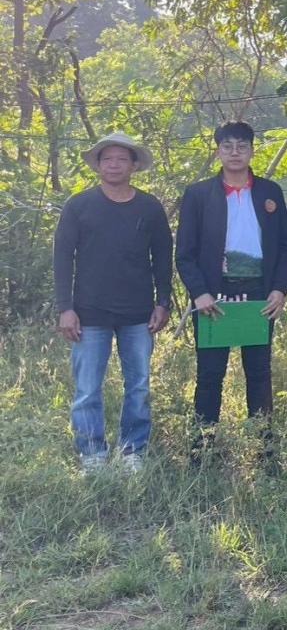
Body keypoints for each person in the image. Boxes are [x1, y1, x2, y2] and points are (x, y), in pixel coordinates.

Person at [54, 133, 172, 473]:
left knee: (138, 385)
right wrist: (65, 308)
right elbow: (62, 257)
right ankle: (92, 453)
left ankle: (133, 450)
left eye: (122, 159)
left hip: (138, 313)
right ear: (98, 165)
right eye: (108, 159)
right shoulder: (79, 205)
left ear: (134, 165)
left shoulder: (149, 207)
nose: (114, 165)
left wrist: (163, 302)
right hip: (88, 313)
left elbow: (163, 256)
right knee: (87, 388)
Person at [176, 122, 287, 443]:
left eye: (242, 146)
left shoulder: (269, 192)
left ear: (252, 151)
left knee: (259, 371)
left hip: (259, 293)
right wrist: (199, 293)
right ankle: (203, 445)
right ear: (218, 152)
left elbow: (286, 246)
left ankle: (264, 444)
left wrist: (279, 288)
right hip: (214, 296)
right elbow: (184, 254)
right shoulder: (199, 194)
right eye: (227, 146)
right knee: (210, 373)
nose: (235, 152)